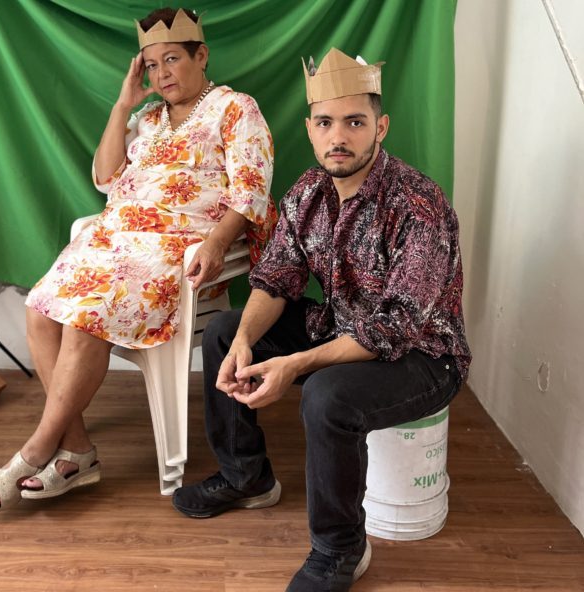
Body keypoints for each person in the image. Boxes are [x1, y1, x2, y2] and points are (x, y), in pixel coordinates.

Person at [172, 48, 471, 592]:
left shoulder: (417, 203)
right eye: (326, 122)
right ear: (310, 130)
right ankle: (247, 477)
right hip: (343, 328)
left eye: (355, 122)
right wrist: (245, 342)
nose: (339, 136)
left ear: (380, 127)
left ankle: (340, 549)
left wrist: (296, 365)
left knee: (326, 395)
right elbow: (275, 279)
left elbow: (394, 328)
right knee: (223, 333)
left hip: (424, 356)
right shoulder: (307, 193)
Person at [0, 7, 276, 510]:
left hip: (176, 250)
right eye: (152, 65)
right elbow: (106, 178)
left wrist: (217, 244)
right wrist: (122, 105)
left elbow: (251, 192)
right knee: (40, 310)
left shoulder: (235, 108)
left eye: (172, 59)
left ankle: (37, 450)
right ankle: (77, 450)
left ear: (202, 55)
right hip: (114, 241)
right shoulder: (148, 118)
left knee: (85, 317)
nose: (162, 74)